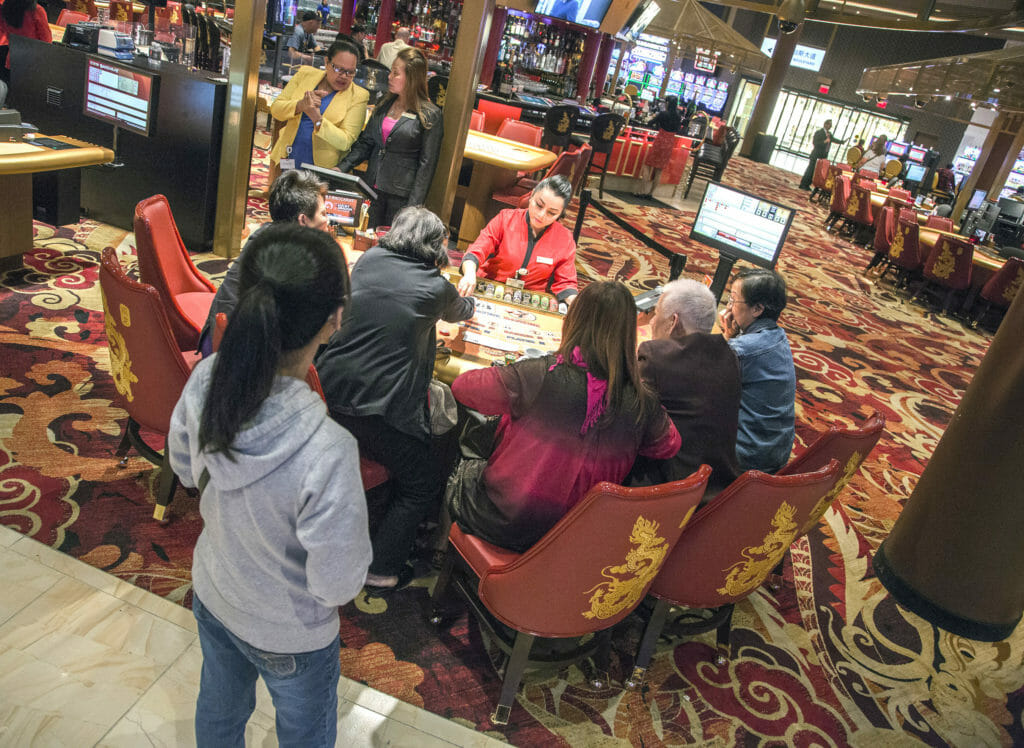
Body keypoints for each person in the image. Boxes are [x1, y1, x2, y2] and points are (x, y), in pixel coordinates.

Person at [167, 223, 371, 747]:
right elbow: (338, 583)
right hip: (292, 633)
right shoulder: (328, 449)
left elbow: (186, 470)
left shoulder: (206, 379)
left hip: (214, 591)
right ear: (333, 321)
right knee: (304, 734)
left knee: (218, 707)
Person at [447, 281, 681, 552]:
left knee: (462, 442)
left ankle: (435, 550)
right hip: (577, 540)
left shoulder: (541, 373)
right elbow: (670, 444)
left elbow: (463, 387)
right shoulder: (643, 402)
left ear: (574, 320)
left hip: (505, 523)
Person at [316, 207, 475, 591]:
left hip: (324, 390)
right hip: (370, 410)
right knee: (423, 479)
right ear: (436, 247)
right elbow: (462, 311)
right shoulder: (436, 288)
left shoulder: (369, 260)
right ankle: (382, 567)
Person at [626, 279, 741, 499]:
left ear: (673, 322)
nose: (652, 322)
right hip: (719, 486)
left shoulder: (656, 355)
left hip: (668, 488)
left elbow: (626, 418)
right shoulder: (730, 356)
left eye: (656, 314)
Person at [197, 169, 330, 356]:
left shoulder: (267, 233)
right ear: (303, 220)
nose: (327, 220)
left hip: (219, 337)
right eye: (323, 214)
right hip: (230, 356)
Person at [337, 47, 443, 228]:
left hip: (401, 197)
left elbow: (426, 167)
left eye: (396, 73)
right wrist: (343, 167)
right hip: (371, 188)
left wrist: (413, 208)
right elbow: (366, 142)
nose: (389, 77)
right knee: (364, 238)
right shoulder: (384, 103)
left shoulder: (430, 114)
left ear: (411, 78)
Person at [718, 268, 796, 474]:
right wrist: (732, 337)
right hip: (774, 453)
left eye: (733, 300)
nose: (729, 307)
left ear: (757, 309)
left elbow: (701, 380)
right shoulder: (778, 335)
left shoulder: (744, 350)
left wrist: (728, 341)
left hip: (747, 458)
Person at [456, 175, 579, 305]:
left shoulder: (564, 239)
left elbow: (567, 283)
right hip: (490, 288)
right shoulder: (505, 219)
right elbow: (476, 251)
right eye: (539, 205)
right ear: (531, 197)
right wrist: (469, 274)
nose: (541, 215)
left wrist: (576, 304)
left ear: (561, 214)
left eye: (552, 213)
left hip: (530, 300)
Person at [269, 39, 369, 171]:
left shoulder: (359, 96)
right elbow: (276, 109)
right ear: (327, 62)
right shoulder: (305, 74)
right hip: (288, 157)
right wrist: (300, 105)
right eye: (339, 69)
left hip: (322, 170)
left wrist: (317, 119)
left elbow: (345, 141)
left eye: (351, 72)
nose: (344, 76)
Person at [635, 94, 681, 199]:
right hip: (670, 142)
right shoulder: (678, 116)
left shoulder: (663, 114)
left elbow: (650, 123)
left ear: (668, 103)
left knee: (647, 165)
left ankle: (641, 191)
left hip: (660, 140)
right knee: (659, 170)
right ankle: (650, 194)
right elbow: (678, 129)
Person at [0, 0, 51, 84]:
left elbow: (3, 30)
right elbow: (46, 40)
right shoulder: (36, 10)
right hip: (33, 61)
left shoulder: (4, 7)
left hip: (12, 58)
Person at [799, 119, 843, 190]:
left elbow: (834, 140)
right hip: (816, 155)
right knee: (810, 170)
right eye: (829, 125)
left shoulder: (829, 134)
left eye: (831, 125)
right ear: (825, 124)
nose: (830, 126)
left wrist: (842, 142)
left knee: (815, 172)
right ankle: (803, 184)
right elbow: (815, 143)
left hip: (822, 156)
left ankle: (808, 184)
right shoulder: (819, 132)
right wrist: (825, 141)